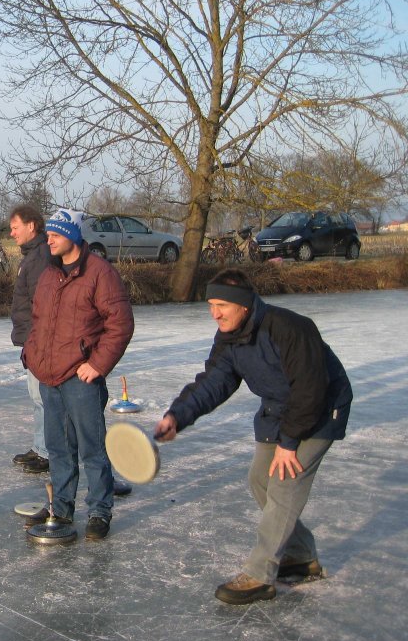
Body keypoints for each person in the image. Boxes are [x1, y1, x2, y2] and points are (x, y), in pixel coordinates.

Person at [153, 269, 352, 605]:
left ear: (244, 305)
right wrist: (178, 415)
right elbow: (213, 382)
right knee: (260, 479)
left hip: (321, 408)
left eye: (222, 305)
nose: (215, 313)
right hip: (279, 409)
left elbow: (311, 389)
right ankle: (301, 556)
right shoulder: (228, 337)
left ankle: (260, 575)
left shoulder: (290, 328)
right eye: (211, 305)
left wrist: (289, 443)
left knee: (285, 482)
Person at [23, 209, 134, 540]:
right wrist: (31, 354)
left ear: (72, 235)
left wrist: (97, 364)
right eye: (48, 235)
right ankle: (62, 507)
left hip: (81, 378)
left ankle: (99, 510)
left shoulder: (100, 273)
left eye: (56, 235)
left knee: (92, 448)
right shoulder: (49, 274)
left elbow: (120, 324)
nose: (49, 240)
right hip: (49, 376)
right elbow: (38, 320)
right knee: (58, 448)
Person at [8, 205, 55, 473]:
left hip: (39, 339)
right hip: (32, 338)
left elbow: (42, 302)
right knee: (37, 396)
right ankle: (40, 446)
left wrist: (36, 339)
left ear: (31, 226)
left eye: (15, 227)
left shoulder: (40, 257)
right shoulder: (32, 255)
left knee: (42, 397)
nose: (12, 233)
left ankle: (47, 451)